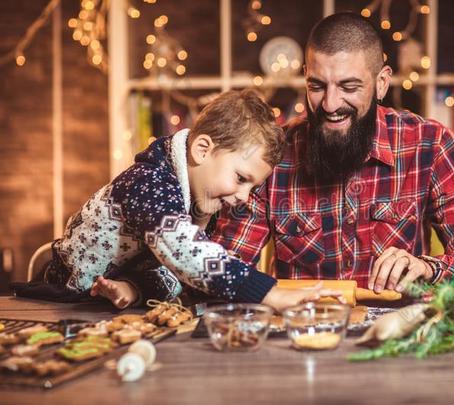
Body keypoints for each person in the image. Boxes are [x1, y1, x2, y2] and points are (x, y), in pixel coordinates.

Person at [211, 13, 454, 292]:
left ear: (381, 83)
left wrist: (428, 268)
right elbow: (221, 269)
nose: (330, 104)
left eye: (348, 87)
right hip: (306, 335)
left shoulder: (429, 143)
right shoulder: (274, 153)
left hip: (397, 336)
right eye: (317, 85)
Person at [30, 89, 343, 310]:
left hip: (97, 310)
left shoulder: (200, 201)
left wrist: (135, 290)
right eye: (240, 178)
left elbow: (179, 273)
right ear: (202, 149)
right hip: (58, 301)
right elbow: (184, 251)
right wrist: (268, 293)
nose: (243, 198)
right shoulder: (148, 182)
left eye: (253, 188)